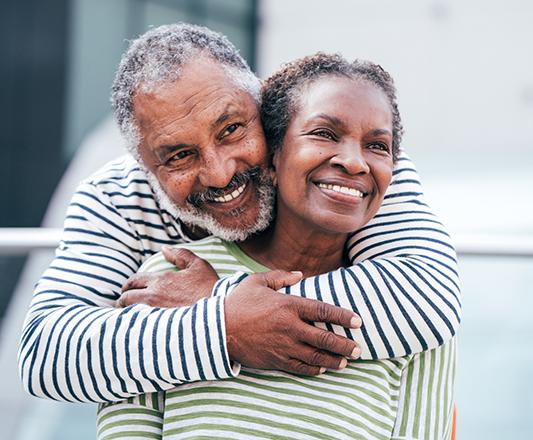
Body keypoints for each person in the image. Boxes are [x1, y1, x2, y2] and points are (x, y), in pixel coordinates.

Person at [19, 23, 460, 404]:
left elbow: (425, 298)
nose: (218, 172)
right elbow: (47, 355)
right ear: (144, 167)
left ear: (263, 106)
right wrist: (225, 327)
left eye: (231, 129)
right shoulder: (115, 198)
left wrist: (220, 301)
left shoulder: (348, 166)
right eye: (178, 156)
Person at [97, 52, 456, 440]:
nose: (354, 162)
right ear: (272, 154)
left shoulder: (415, 321)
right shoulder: (166, 282)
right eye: (324, 133)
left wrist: (218, 300)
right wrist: (226, 317)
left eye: (377, 146)